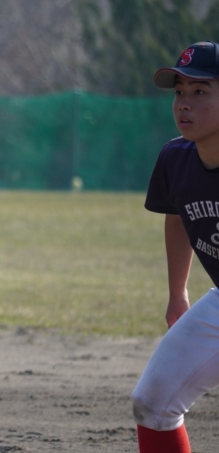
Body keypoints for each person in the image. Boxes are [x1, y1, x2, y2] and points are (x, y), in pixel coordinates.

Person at [131, 41, 219, 453]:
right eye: (180, 92)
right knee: (153, 402)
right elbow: (178, 216)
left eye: (200, 91)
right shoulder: (176, 158)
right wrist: (177, 292)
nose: (184, 103)